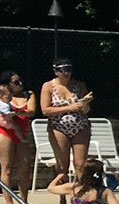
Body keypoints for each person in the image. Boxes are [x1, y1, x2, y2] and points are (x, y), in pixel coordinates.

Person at [39, 59, 92, 194]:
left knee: (80, 163)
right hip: (58, 127)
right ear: (56, 72)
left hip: (80, 125)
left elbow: (86, 110)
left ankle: (81, 194)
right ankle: (62, 195)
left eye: (69, 70)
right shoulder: (48, 86)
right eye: (63, 71)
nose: (67, 74)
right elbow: (45, 110)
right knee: (63, 164)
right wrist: (70, 107)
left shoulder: (79, 85)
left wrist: (84, 104)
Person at [0, 70, 34, 204]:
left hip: (21, 132)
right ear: (8, 84)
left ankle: (24, 201)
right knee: (6, 168)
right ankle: (9, 203)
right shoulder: (0, 97)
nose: (20, 84)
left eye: (21, 80)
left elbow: (31, 111)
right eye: (16, 82)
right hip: (3, 131)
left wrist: (16, 112)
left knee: (25, 168)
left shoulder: (28, 95)